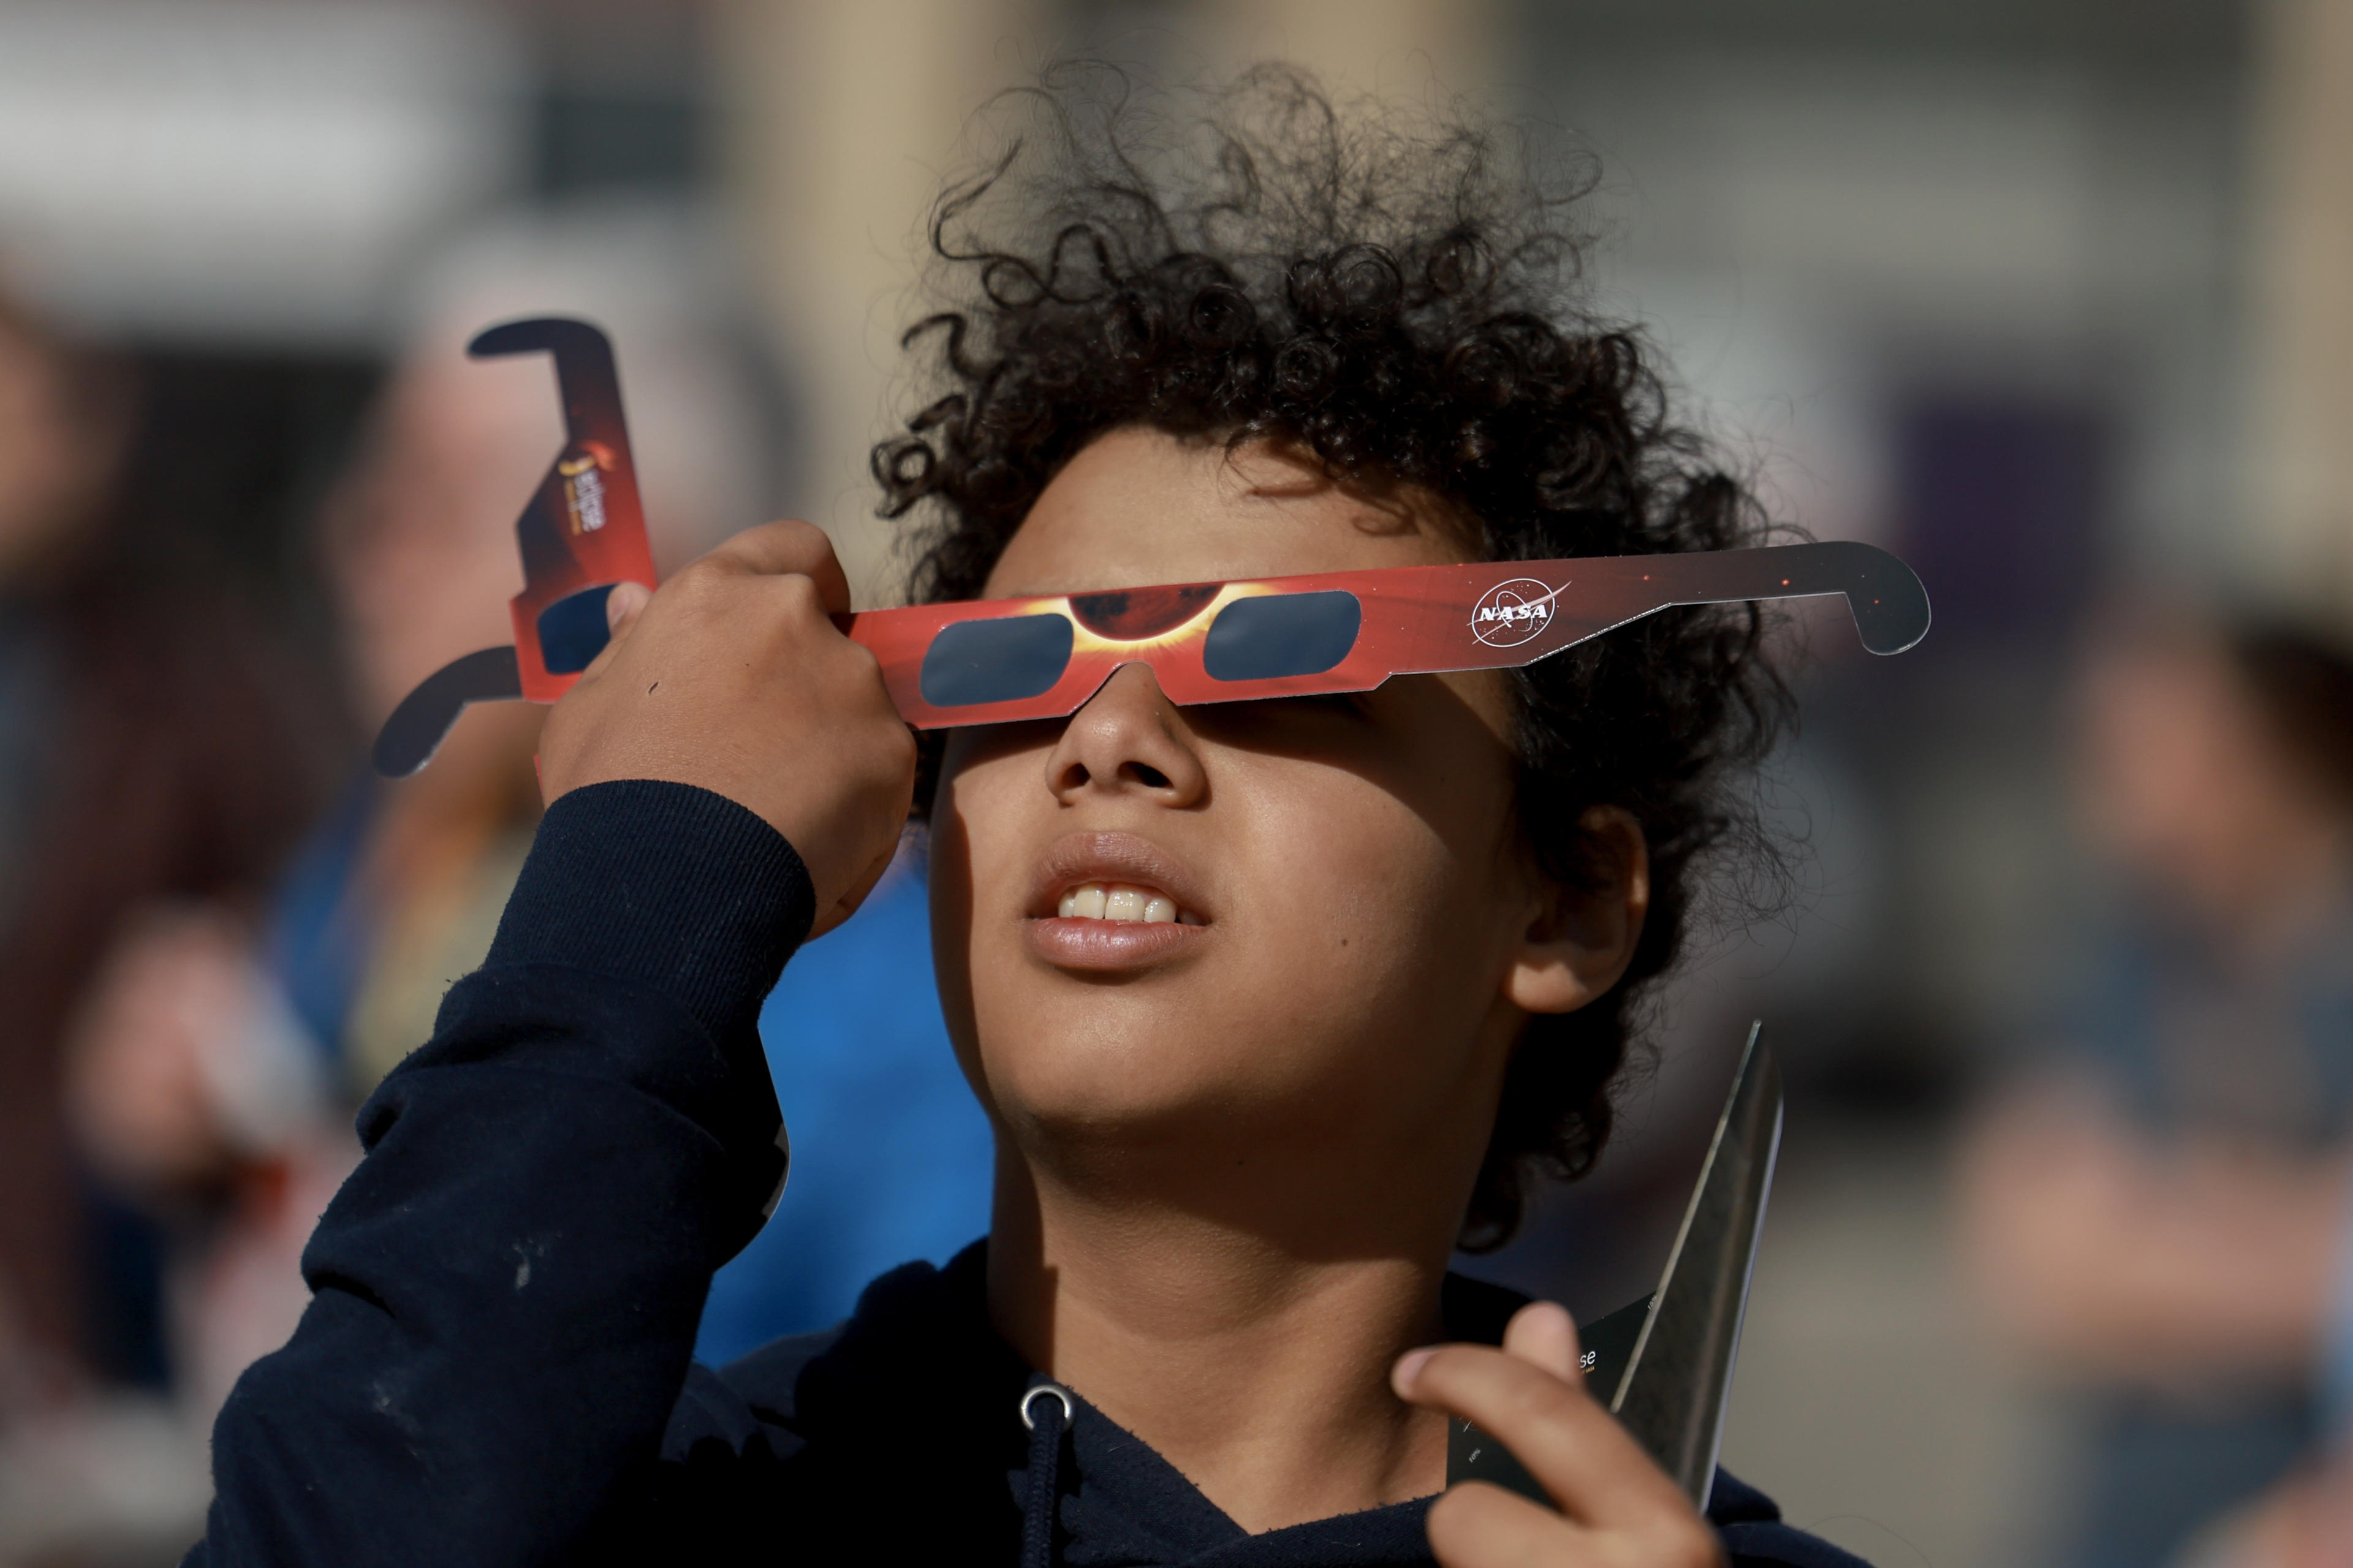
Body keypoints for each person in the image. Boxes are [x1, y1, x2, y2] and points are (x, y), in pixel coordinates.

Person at [189, 72, 1864, 1567]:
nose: (1112, 736)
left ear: (1567, 903)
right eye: (1008, 673)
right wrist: (643, 870)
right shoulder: (666, 1506)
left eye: (1283, 661)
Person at [1959, 609, 2353, 1568]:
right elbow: (2041, 1266)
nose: (2096, 782)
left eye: (2141, 743)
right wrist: (2294, 1232)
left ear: (2270, 748)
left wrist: (2178, 1226)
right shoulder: (2127, 964)